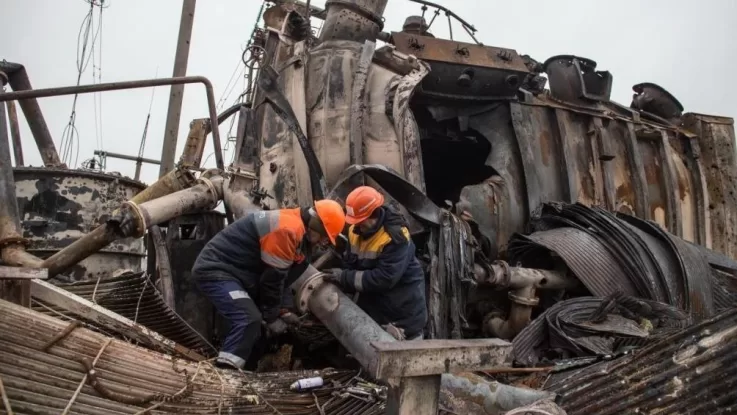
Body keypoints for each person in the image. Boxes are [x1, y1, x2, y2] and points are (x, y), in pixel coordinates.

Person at [192, 200, 346, 369]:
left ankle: (247, 374)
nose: (323, 242)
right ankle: (224, 376)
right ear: (316, 225)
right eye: (324, 237)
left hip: (240, 275)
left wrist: (284, 310)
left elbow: (284, 276)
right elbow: (272, 280)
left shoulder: (299, 233)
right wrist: (272, 316)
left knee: (258, 329)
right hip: (217, 270)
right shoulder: (288, 229)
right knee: (248, 319)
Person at [325, 186, 427, 341]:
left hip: (402, 314)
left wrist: (344, 277)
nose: (357, 226)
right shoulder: (355, 230)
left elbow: (385, 278)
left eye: (360, 221)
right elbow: (350, 263)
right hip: (375, 308)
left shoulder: (395, 237)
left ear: (372, 215)